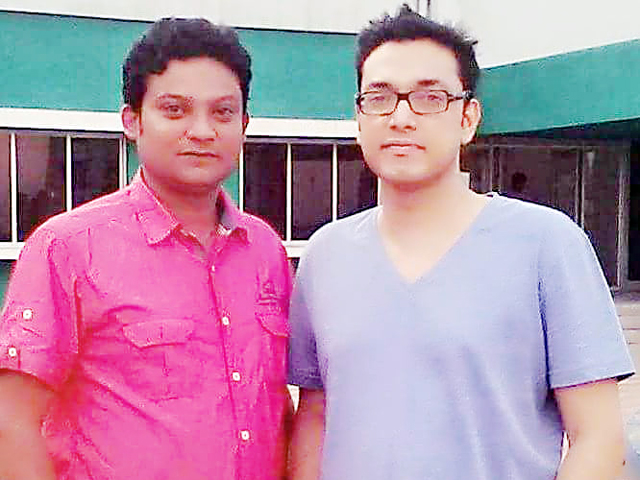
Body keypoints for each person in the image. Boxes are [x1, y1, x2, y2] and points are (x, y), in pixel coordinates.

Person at [287, 5, 634, 480]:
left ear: (468, 118)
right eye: (380, 98)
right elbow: (315, 416)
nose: (401, 117)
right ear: (359, 117)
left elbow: (598, 438)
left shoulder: (547, 245)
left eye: (430, 98)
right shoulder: (326, 255)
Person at [0, 18, 291, 480]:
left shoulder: (266, 252)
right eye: (175, 110)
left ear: (244, 125)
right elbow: (13, 420)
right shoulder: (68, 248)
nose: (202, 131)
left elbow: (278, 406)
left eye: (222, 112)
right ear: (131, 120)